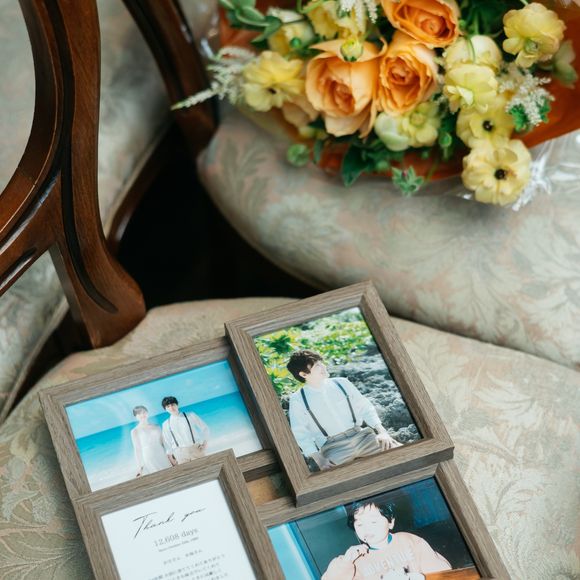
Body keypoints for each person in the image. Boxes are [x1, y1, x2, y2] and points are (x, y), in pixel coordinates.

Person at [286, 350, 401, 471]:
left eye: (321, 363)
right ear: (304, 374)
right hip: (333, 447)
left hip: (363, 437)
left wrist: (382, 432)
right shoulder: (298, 399)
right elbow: (300, 432)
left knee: (400, 452)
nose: (323, 367)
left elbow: (365, 407)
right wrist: (319, 460)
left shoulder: (341, 383)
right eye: (317, 366)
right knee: (333, 478)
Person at [322, 501, 452, 579]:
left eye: (373, 522)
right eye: (360, 524)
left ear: (391, 522)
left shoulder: (407, 540)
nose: (367, 528)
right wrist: (346, 561)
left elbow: (442, 571)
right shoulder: (356, 560)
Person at [160, 396, 210, 465]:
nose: (171, 408)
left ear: (177, 405)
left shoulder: (190, 415)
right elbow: (167, 442)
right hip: (180, 454)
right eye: (168, 406)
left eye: (173, 404)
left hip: (195, 449)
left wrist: (205, 443)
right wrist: (171, 458)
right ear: (165, 409)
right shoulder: (165, 424)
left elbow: (205, 428)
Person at [130, 406, 172, 477]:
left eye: (144, 412)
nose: (142, 415)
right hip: (149, 456)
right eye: (139, 413)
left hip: (161, 453)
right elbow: (137, 449)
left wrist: (170, 455)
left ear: (147, 413)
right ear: (136, 416)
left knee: (169, 473)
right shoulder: (135, 431)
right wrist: (140, 466)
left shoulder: (156, 426)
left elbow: (163, 443)